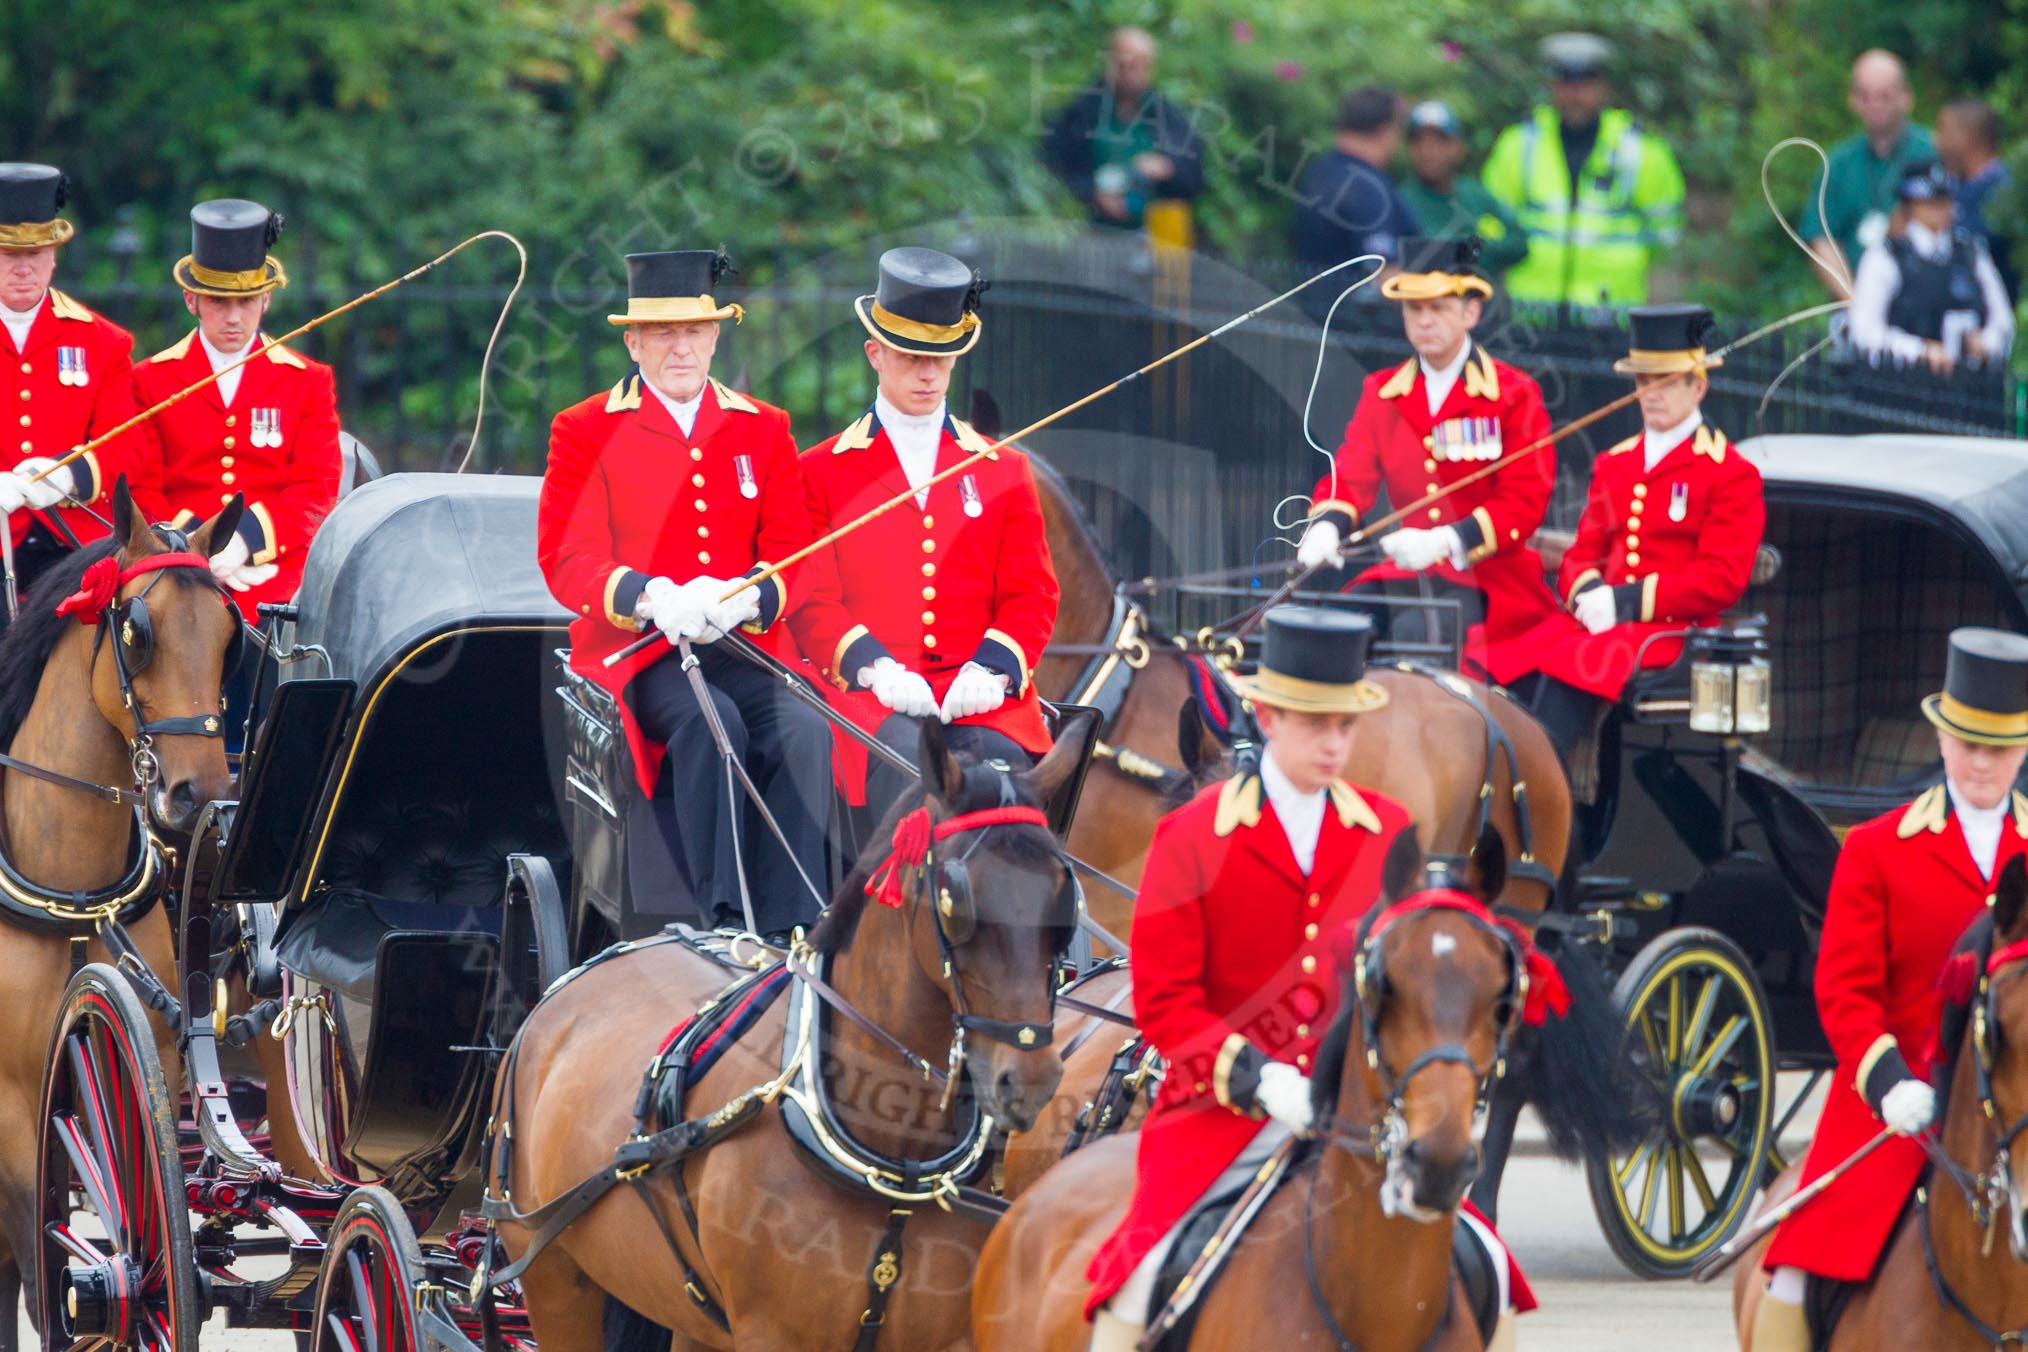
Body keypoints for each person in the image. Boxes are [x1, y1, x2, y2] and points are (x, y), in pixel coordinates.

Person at [1079, 607, 1414, 1348]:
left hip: (1362, 1122)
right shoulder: (1191, 836)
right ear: (1264, 715)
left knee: (1493, 1284)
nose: (1334, 743)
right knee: (1131, 1295)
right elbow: (1165, 1004)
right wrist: (1261, 1080)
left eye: (1345, 726)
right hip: (1217, 1118)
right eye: (1313, 723)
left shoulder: (1391, 835)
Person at [538, 249, 830, 941]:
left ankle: (797, 923)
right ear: (633, 342)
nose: (680, 347)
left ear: (716, 336)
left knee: (805, 728)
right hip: (636, 651)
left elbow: (797, 555)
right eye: (663, 333)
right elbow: (567, 558)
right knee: (713, 726)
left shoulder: (764, 428)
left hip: (739, 642)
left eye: (693, 331)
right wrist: (653, 597)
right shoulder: (585, 429)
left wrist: (747, 599)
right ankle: (724, 919)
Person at [1751, 628, 2028, 1352]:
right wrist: (1890, 1084)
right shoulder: (1876, 849)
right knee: (1796, 1275)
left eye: (1997, 748)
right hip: (1894, 1107)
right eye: (1966, 743)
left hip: (2019, 1102)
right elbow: (1844, 991)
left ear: (2022, 750)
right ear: (1940, 740)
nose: (1980, 762)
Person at [790, 247, 1059, 816]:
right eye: (911, 356)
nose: (928, 372)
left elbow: (1032, 594)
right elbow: (813, 601)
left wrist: (993, 666)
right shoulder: (820, 471)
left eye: (942, 356)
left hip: (980, 700)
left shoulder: (1002, 469)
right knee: (911, 781)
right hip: (873, 700)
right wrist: (874, 666)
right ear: (875, 354)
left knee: (1008, 794)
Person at [1295, 236, 1557, 683]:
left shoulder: (1514, 396)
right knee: (1326, 631)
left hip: (1490, 583)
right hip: (1406, 573)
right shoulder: (1383, 393)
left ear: (1470, 313)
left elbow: (1524, 502)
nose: (1426, 320)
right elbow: (1353, 473)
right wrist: (1326, 526)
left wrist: (1447, 540)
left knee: (1414, 639)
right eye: (1415, 309)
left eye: (1439, 307)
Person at [1520, 305, 1765, 751]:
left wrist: (1624, 601)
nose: (1651, 393)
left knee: (1574, 661)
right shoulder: (1616, 463)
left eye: (1666, 381)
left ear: (1698, 387)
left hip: (1674, 635)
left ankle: (1539, 797)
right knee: (1519, 654)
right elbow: (1582, 554)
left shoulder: (1728, 472)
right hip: (1605, 626)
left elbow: (1721, 579)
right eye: (1642, 381)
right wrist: (1588, 595)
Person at [129, 198, 341, 620]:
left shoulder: (308, 380)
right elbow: (142, 489)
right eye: (218, 302)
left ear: (266, 301)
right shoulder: (149, 379)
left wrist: (246, 540)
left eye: (246, 302)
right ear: (191, 300)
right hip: (176, 559)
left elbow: (315, 493)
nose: (233, 317)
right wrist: (199, 544)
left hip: (272, 569)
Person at [0, 161, 139, 599]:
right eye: (9, 255)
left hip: (72, 542)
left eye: (35, 254)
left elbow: (123, 444)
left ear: (54, 257)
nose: (24, 269)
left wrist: (63, 475)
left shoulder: (103, 342)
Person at [1481, 32, 1685, 309]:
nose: (1575, 93)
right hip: (1532, 313)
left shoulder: (1641, 151)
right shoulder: (1519, 145)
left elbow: (1666, 241)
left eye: (1585, 82)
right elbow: (1489, 227)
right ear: (1551, 85)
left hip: (1613, 314)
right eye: (1565, 81)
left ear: (1603, 86)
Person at [1848, 161, 2012, 373]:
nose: (1939, 209)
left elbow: (2002, 320)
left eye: (1944, 201)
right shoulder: (1885, 257)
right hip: (1904, 387)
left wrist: (1987, 344)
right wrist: (1919, 352)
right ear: (1910, 205)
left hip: (1969, 388)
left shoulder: (1972, 253)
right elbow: (1865, 332)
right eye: (1930, 202)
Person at [1040, 27, 1206, 232]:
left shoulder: (1165, 116)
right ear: (1112, 64)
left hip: (1155, 233)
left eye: (1143, 66)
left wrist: (1167, 167)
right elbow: (1056, 162)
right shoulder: (1084, 111)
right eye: (1128, 65)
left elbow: (1193, 175)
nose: (1135, 75)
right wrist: (1093, 194)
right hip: (1094, 231)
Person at [1799, 50, 1935, 293]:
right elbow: (1819, 237)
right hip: (1854, 302)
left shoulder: (1933, 152)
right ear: (1852, 100)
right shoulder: (1838, 162)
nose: (1874, 104)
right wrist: (1854, 302)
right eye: (1864, 95)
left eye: (1884, 95)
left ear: (1906, 97)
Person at [1290, 86, 1422, 306]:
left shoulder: (1319, 172)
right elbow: (1387, 277)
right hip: (1359, 328)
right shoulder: (1366, 188)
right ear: (1386, 130)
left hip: (1314, 315)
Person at [1397, 101, 1529, 280]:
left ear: (1458, 147)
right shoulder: (1400, 201)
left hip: (1478, 302)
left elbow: (1518, 243)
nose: (1428, 151)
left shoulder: (1477, 196)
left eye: (1440, 141)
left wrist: (1471, 251)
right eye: (1419, 142)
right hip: (1426, 304)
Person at [1935, 98, 2015, 299]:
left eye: (1943, 131)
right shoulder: (1948, 187)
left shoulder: (2005, 192)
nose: (1937, 141)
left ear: (1965, 137)